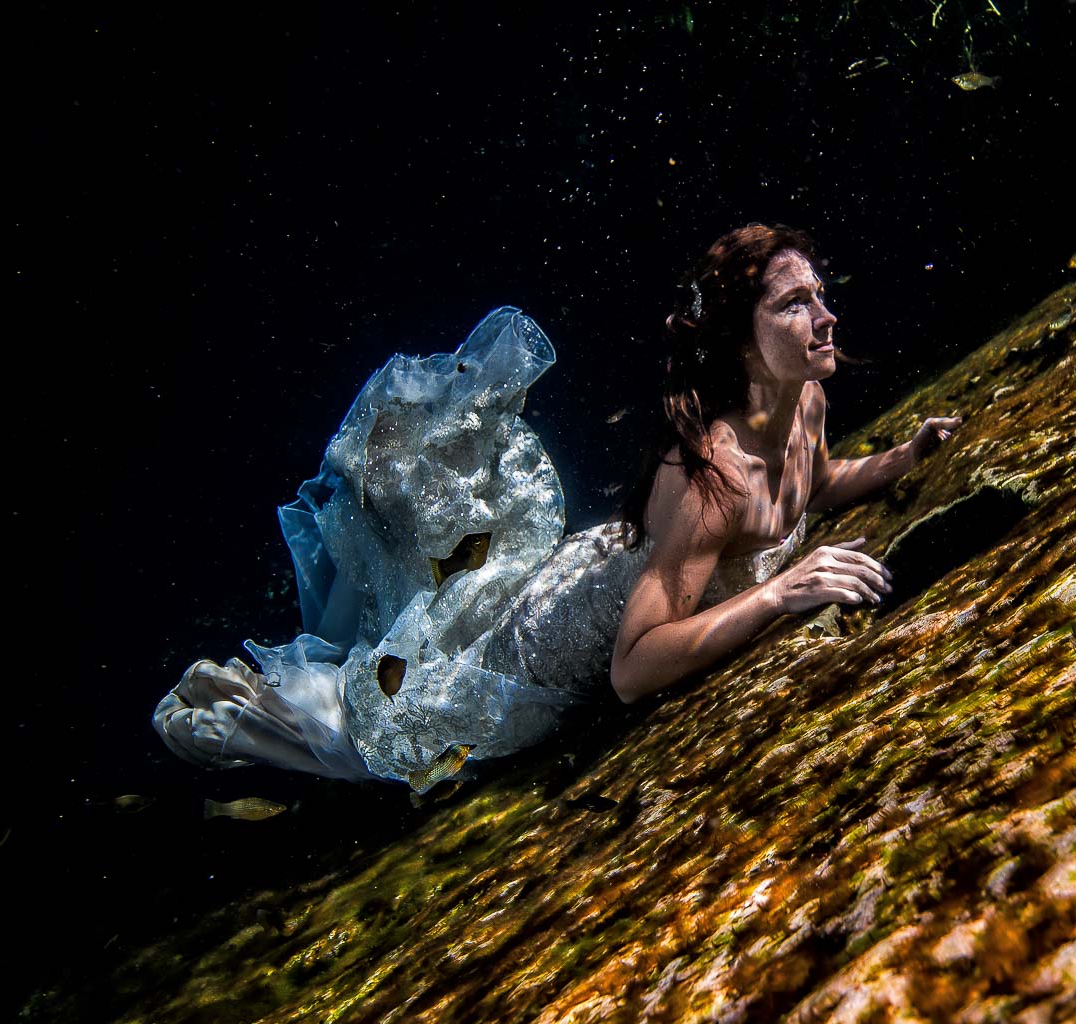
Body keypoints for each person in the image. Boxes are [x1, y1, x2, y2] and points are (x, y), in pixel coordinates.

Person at [153, 223, 961, 789]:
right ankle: (237, 710)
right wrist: (778, 592)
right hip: (547, 644)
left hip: (603, 560)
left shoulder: (804, 401)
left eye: (818, 294)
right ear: (744, 343)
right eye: (794, 304)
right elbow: (635, 668)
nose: (826, 316)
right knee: (389, 728)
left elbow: (808, 484)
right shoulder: (710, 474)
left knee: (420, 660)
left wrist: (903, 458)